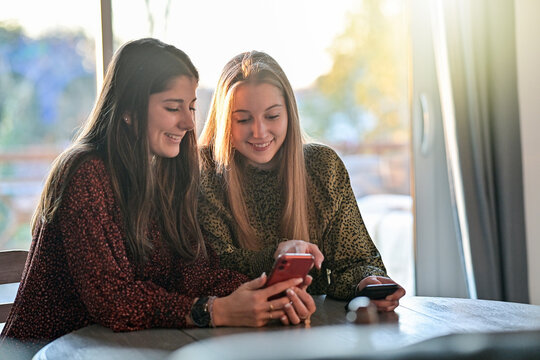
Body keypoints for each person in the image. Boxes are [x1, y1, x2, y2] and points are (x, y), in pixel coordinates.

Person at [0, 39, 315, 348]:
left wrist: (263, 296)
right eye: (173, 107)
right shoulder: (85, 172)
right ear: (129, 111)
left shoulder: (166, 172)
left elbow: (195, 275)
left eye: (191, 106)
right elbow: (115, 301)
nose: (189, 122)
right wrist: (214, 310)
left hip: (120, 349)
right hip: (45, 351)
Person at [198, 50, 405, 310]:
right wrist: (277, 255)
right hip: (230, 331)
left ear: (289, 114)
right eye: (243, 119)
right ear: (225, 121)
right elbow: (209, 270)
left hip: (312, 325)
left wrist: (366, 282)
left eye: (272, 116)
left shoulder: (321, 167)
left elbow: (356, 261)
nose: (259, 132)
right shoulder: (204, 171)